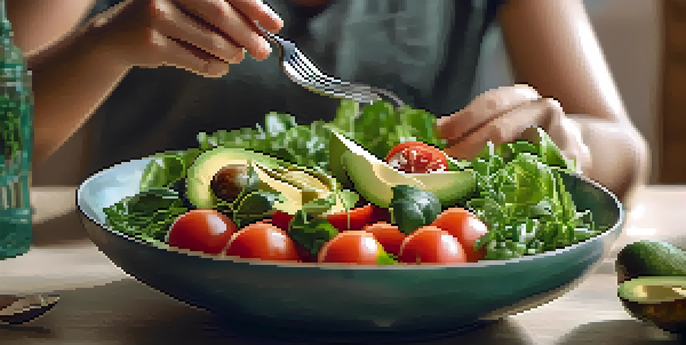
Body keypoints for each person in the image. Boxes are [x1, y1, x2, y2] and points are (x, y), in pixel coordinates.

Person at [10, 0, 648, 204]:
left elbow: (627, 155)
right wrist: (102, 43)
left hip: (422, 291)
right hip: (142, 287)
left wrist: (566, 145)